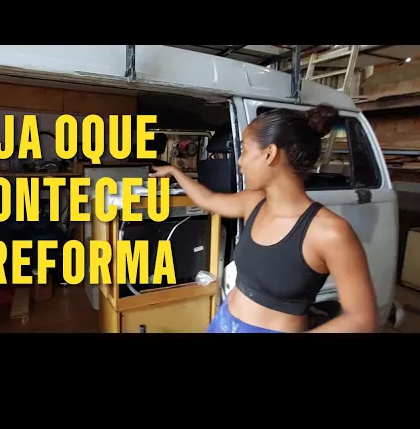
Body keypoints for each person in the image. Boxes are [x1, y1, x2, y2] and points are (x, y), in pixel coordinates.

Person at [149, 105, 378, 333]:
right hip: (224, 322)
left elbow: (361, 320)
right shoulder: (254, 202)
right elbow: (208, 200)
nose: (240, 162)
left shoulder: (330, 232)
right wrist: (175, 172)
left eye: (245, 150)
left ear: (270, 153)